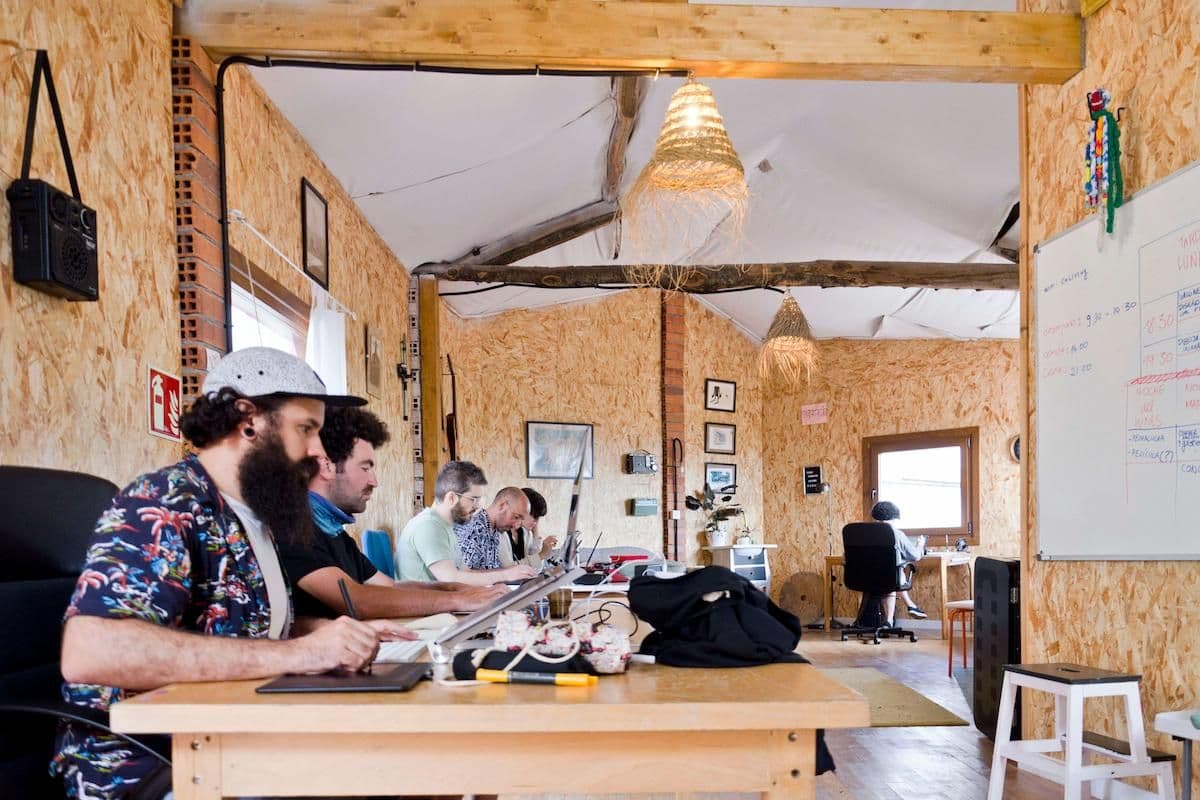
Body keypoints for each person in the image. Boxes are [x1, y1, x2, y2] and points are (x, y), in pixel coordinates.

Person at [53, 347, 403, 799]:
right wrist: (300, 655)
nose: (318, 453)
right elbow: (91, 651)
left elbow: (239, 628)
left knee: (402, 762)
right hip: (154, 767)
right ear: (248, 419)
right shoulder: (163, 502)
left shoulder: (254, 516)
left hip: (233, 742)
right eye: (306, 429)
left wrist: (328, 633)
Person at [279, 407, 508, 623]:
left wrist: (454, 589)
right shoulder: (294, 531)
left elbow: (389, 587)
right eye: (365, 468)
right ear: (327, 466)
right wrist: (457, 600)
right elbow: (356, 601)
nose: (374, 481)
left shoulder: (336, 534)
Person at [396, 462, 536, 585]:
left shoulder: (447, 527)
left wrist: (508, 575)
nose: (477, 506)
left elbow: (466, 573)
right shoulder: (428, 526)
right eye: (473, 499)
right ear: (451, 497)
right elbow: (451, 579)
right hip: (427, 606)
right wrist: (505, 575)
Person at [870, 500, 928, 625]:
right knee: (895, 572)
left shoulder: (865, 534)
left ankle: (896, 616)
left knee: (892, 573)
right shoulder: (897, 534)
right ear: (894, 517)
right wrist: (920, 545)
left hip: (864, 578)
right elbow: (915, 556)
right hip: (890, 578)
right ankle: (902, 611)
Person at [454, 486, 531, 571]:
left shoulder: (494, 531)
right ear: (502, 506)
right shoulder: (473, 529)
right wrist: (505, 574)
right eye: (516, 517)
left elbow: (490, 569)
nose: (516, 526)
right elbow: (464, 575)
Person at [496, 487, 558, 572]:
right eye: (534, 517)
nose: (536, 522)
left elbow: (536, 570)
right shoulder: (500, 532)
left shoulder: (525, 533)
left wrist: (535, 534)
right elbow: (509, 569)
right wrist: (541, 555)